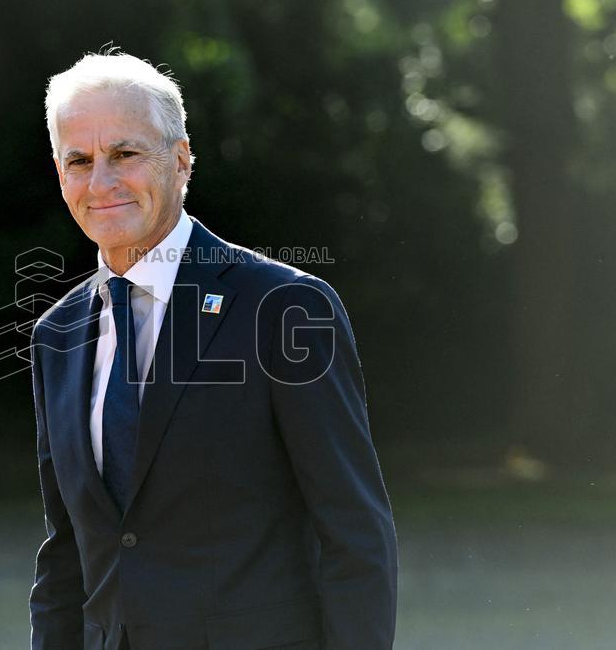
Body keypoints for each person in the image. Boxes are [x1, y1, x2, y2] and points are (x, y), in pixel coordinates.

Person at [29, 51, 397, 650]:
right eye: (80, 160)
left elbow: (356, 533)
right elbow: (67, 553)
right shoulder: (56, 334)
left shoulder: (284, 308)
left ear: (180, 161)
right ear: (60, 173)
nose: (101, 182)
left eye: (125, 154)